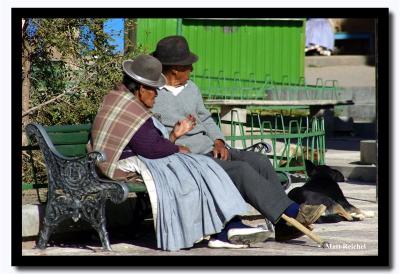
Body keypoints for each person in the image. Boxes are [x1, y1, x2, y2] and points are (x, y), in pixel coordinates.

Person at [151, 35, 326, 242]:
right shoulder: (153, 94)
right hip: (190, 158)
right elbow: (155, 135)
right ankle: (292, 210)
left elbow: (206, 117)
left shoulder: (192, 88)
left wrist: (219, 141)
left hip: (210, 148)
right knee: (241, 171)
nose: (193, 70)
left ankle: (283, 225)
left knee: (259, 161)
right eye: (189, 66)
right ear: (176, 69)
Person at [90, 54, 272, 251]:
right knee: (197, 169)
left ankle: (227, 227)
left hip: (138, 158)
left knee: (202, 166)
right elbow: (150, 147)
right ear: (142, 89)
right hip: (122, 165)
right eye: (154, 91)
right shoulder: (130, 108)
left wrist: (174, 136)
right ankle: (226, 228)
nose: (157, 95)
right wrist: (175, 147)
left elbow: (149, 144)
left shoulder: (122, 98)